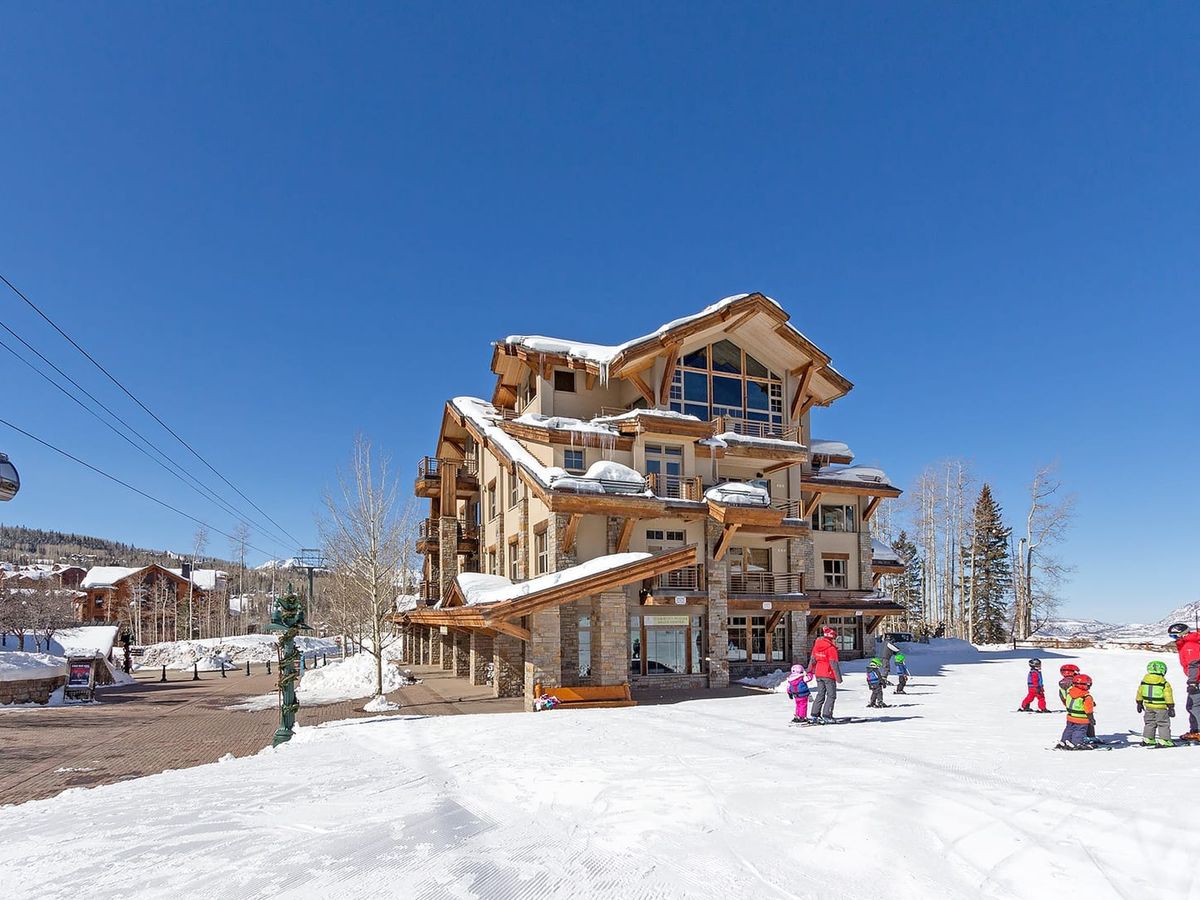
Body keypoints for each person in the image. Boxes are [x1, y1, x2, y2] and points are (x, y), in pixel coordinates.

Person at [1168, 623, 1200, 740]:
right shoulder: (1190, 642)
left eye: (1175, 636)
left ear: (1183, 634)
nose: (1174, 639)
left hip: (1197, 680)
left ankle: (1198, 731)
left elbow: (1194, 664)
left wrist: (1192, 682)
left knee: (1194, 706)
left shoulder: (1190, 645)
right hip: (1196, 679)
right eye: (1172, 637)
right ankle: (1196, 730)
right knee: (1193, 705)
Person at [807, 625, 843, 723]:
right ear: (832, 638)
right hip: (828, 674)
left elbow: (812, 659)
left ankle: (815, 714)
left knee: (820, 694)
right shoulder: (831, 649)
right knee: (831, 695)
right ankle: (827, 715)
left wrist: (809, 670)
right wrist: (839, 678)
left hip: (818, 673)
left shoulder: (817, 645)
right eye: (835, 638)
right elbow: (834, 664)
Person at [1136, 660, 1175, 748]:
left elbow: (1139, 692)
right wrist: (1171, 706)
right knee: (1163, 723)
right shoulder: (1164, 683)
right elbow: (1168, 695)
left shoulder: (1144, 681)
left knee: (1149, 722)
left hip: (1148, 706)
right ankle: (1165, 740)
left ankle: (1148, 739)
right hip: (1161, 707)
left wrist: (1139, 703)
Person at [1058, 673, 1096, 750]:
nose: (1089, 687)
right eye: (1088, 685)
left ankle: (1064, 741)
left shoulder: (1069, 693)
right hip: (1081, 719)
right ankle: (1076, 743)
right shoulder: (1086, 697)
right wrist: (1091, 718)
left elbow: (1067, 703)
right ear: (1082, 685)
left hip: (1070, 717)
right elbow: (1088, 710)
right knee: (1079, 731)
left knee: (1069, 729)